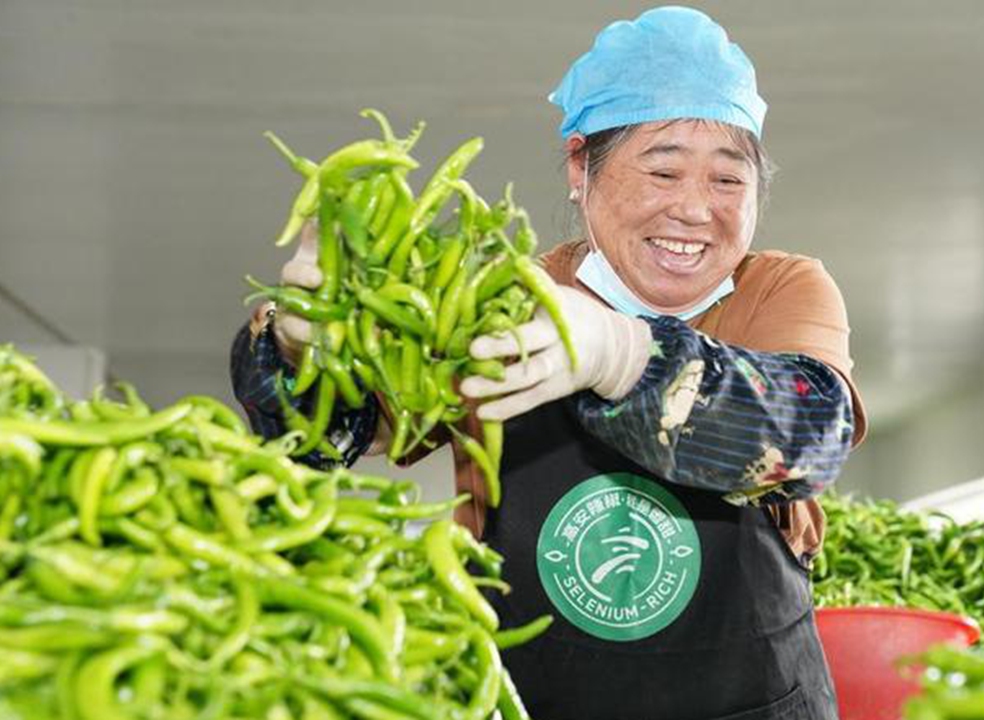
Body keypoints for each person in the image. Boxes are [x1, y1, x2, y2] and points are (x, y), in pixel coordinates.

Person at [231, 6, 867, 719]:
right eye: (663, 171)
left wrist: (623, 354)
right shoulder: (494, 299)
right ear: (579, 168)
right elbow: (332, 439)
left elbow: (812, 435)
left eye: (728, 182)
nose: (695, 209)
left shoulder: (779, 290)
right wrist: (299, 350)